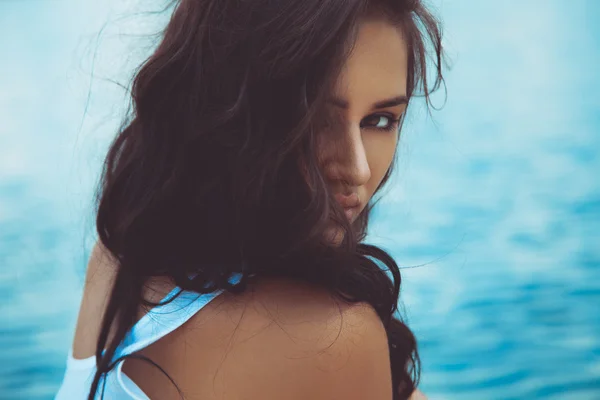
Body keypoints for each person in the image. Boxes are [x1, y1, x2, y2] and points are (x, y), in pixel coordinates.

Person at [56, 0, 444, 398]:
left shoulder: (120, 257)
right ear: (232, 110)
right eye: (315, 118)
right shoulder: (333, 337)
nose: (357, 168)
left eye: (379, 120)